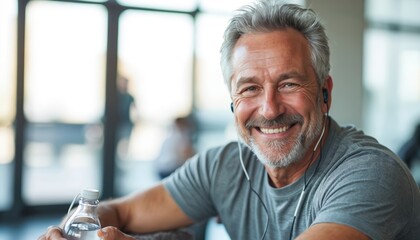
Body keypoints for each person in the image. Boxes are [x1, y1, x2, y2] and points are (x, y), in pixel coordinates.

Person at [39, 1, 420, 240]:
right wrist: (79, 229)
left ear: (325, 93)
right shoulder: (224, 166)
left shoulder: (370, 174)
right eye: (250, 88)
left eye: (288, 83)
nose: (269, 109)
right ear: (232, 101)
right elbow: (121, 211)